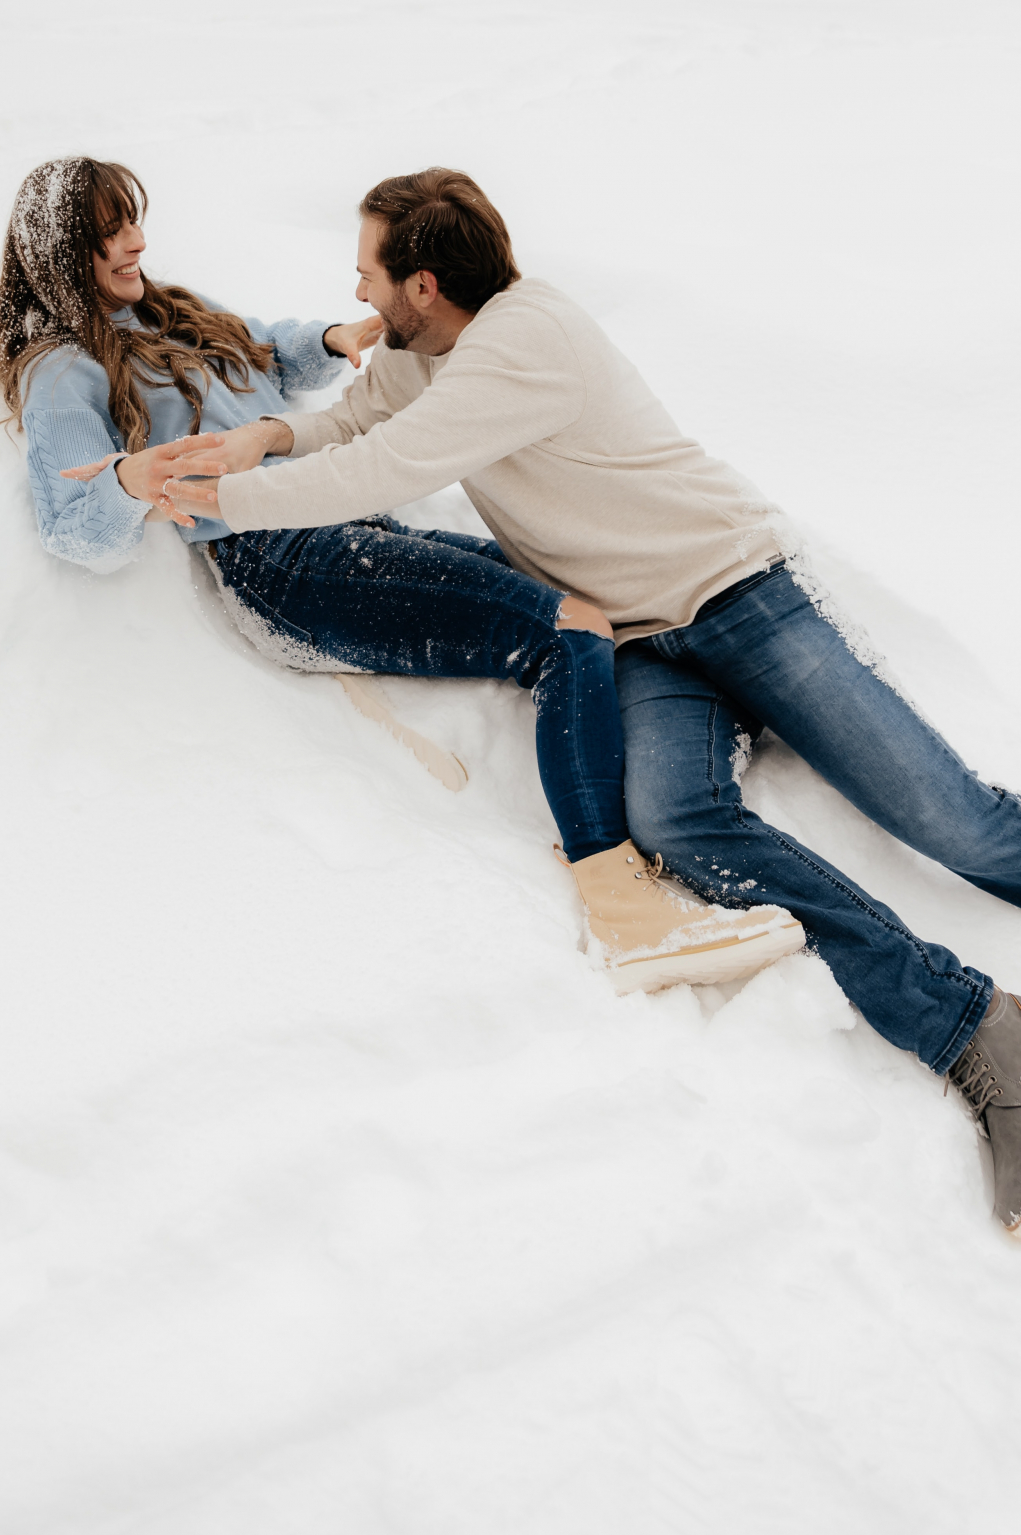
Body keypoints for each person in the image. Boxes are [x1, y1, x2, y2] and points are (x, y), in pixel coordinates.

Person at [164, 165, 1021, 1239]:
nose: (359, 291)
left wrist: (212, 502)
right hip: (638, 640)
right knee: (672, 820)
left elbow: (380, 470)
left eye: (370, 273)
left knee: (952, 818)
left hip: (740, 595)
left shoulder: (523, 344)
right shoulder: (431, 349)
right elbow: (364, 419)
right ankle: (973, 1025)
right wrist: (264, 440)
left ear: (423, 284)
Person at [0, 156, 802, 997]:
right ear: (61, 251)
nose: (137, 242)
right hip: (278, 561)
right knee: (563, 627)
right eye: (112, 232)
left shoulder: (160, 312)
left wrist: (327, 343)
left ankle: (684, 762)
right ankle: (622, 908)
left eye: (134, 221)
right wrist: (131, 478)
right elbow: (69, 523)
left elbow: (259, 352)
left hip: (333, 526)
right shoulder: (62, 369)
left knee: (581, 604)